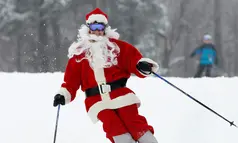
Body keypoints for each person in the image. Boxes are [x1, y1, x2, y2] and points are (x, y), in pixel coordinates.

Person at [53, 8, 159, 143]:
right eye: (94, 27)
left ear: (104, 28)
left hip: (120, 94)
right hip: (96, 100)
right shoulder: (79, 54)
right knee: (113, 127)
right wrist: (64, 94)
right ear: (88, 28)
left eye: (100, 27)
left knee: (134, 122)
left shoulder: (116, 47)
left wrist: (142, 65)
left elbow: (133, 60)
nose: (97, 31)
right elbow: (71, 81)